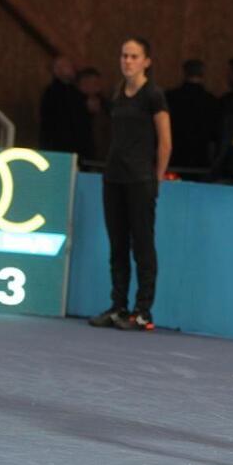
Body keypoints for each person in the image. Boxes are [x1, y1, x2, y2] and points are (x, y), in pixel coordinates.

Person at [88, 37, 171, 332]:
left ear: (146, 61)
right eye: (124, 55)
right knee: (117, 245)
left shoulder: (154, 95)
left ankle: (142, 311)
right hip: (114, 178)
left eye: (134, 56)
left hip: (141, 180)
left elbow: (165, 141)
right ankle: (118, 306)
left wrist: (157, 178)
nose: (127, 61)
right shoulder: (117, 93)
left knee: (143, 246)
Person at [166, 59, 220, 173]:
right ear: (203, 74)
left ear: (184, 73)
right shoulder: (212, 101)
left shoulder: (170, 97)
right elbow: (216, 134)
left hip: (174, 156)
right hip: (201, 157)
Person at [39, 55, 88, 155]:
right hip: (58, 145)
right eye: (67, 66)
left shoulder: (76, 92)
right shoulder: (52, 93)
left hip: (76, 144)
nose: (72, 69)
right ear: (57, 71)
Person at [76, 67, 111, 164]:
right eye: (94, 83)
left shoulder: (105, 104)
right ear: (83, 85)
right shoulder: (73, 104)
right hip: (84, 155)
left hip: (103, 154)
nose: (98, 86)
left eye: (98, 83)